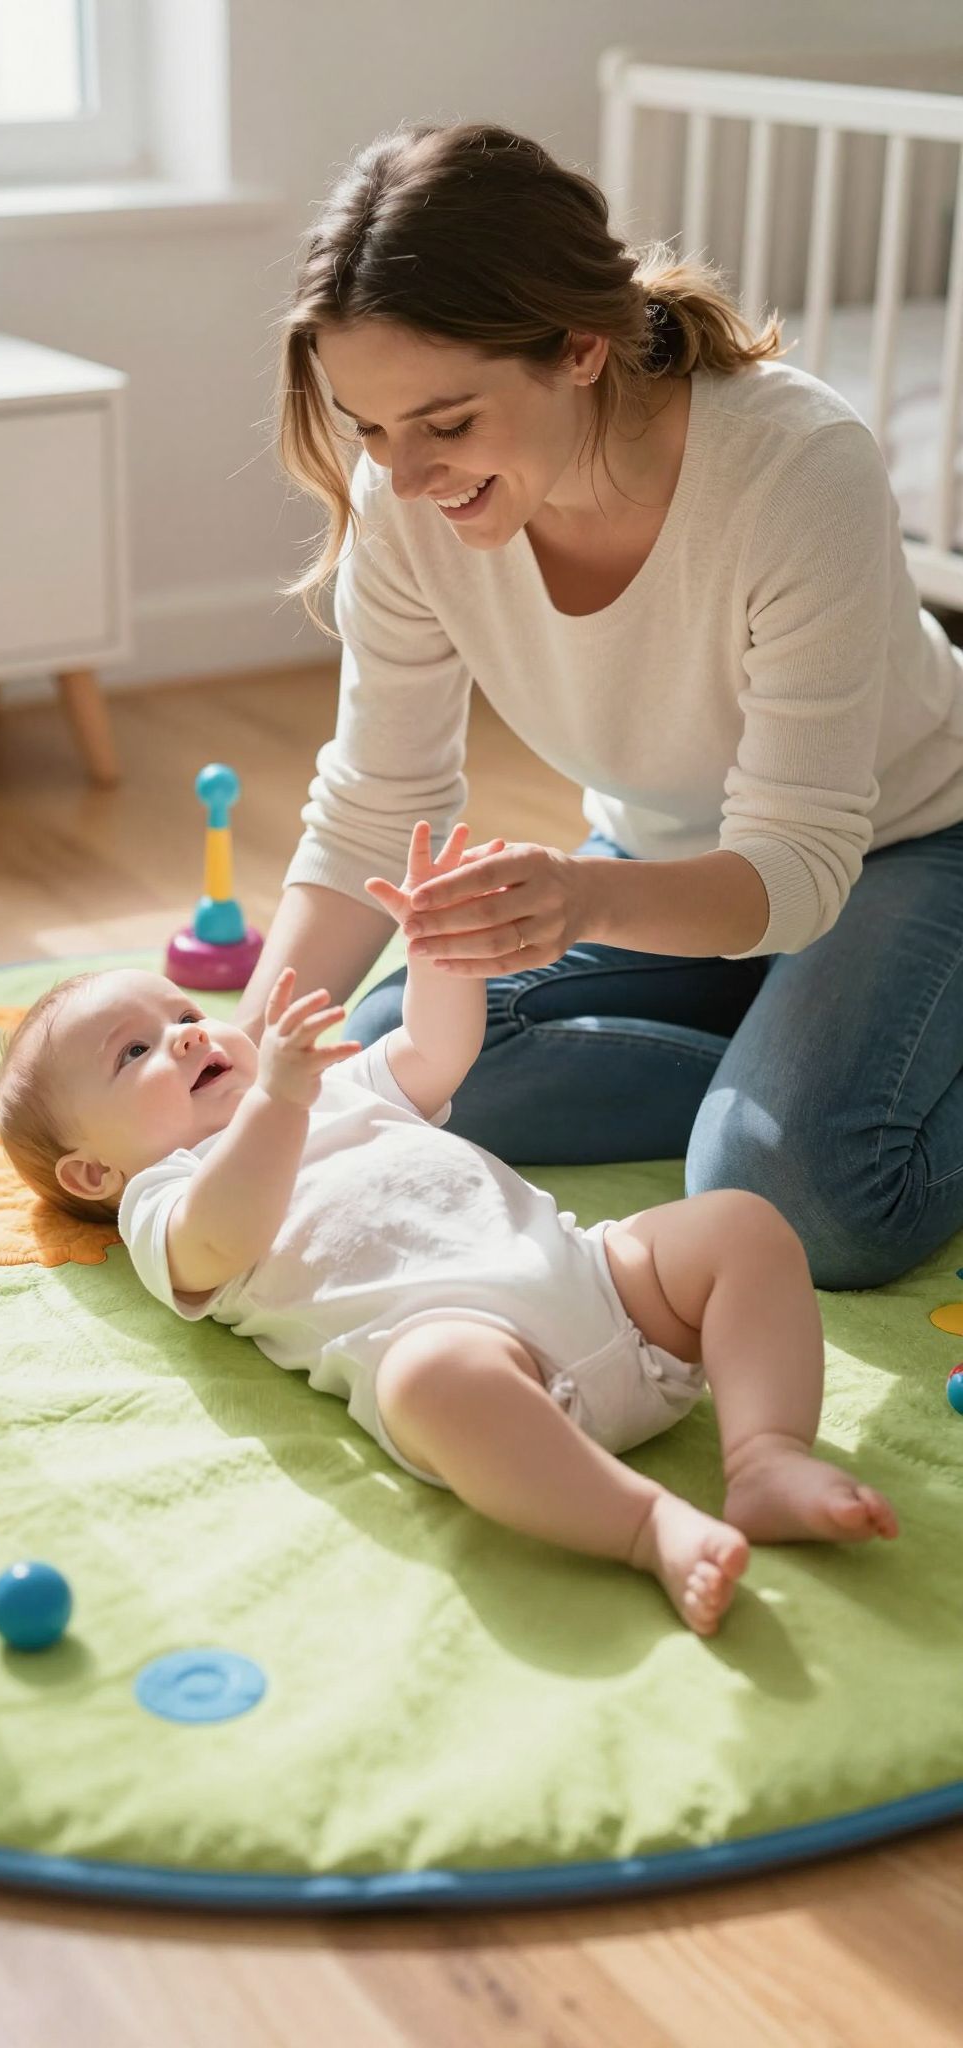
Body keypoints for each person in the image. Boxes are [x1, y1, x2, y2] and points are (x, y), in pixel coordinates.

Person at [234, 119, 963, 1292]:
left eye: (446, 422)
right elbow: (378, 800)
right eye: (368, 427)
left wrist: (584, 897)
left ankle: (829, 1065)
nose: (405, 478)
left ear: (579, 347)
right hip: (675, 868)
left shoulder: (796, 466)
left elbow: (802, 863)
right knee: (372, 1063)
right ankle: (803, 1048)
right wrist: (254, 1059)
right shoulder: (404, 496)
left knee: (803, 1195)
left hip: (907, 849)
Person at [0, 823, 899, 1640]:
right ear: (93, 1174)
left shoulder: (338, 1087)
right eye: (134, 1053)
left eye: (183, 1015)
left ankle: (766, 1457)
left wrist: (439, 952)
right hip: (481, 1360)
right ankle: (642, 1523)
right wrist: (276, 1102)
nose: (184, 1038)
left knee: (738, 1226)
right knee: (431, 1378)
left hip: (605, 1287)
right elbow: (220, 1241)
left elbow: (437, 1052)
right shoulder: (168, 1195)